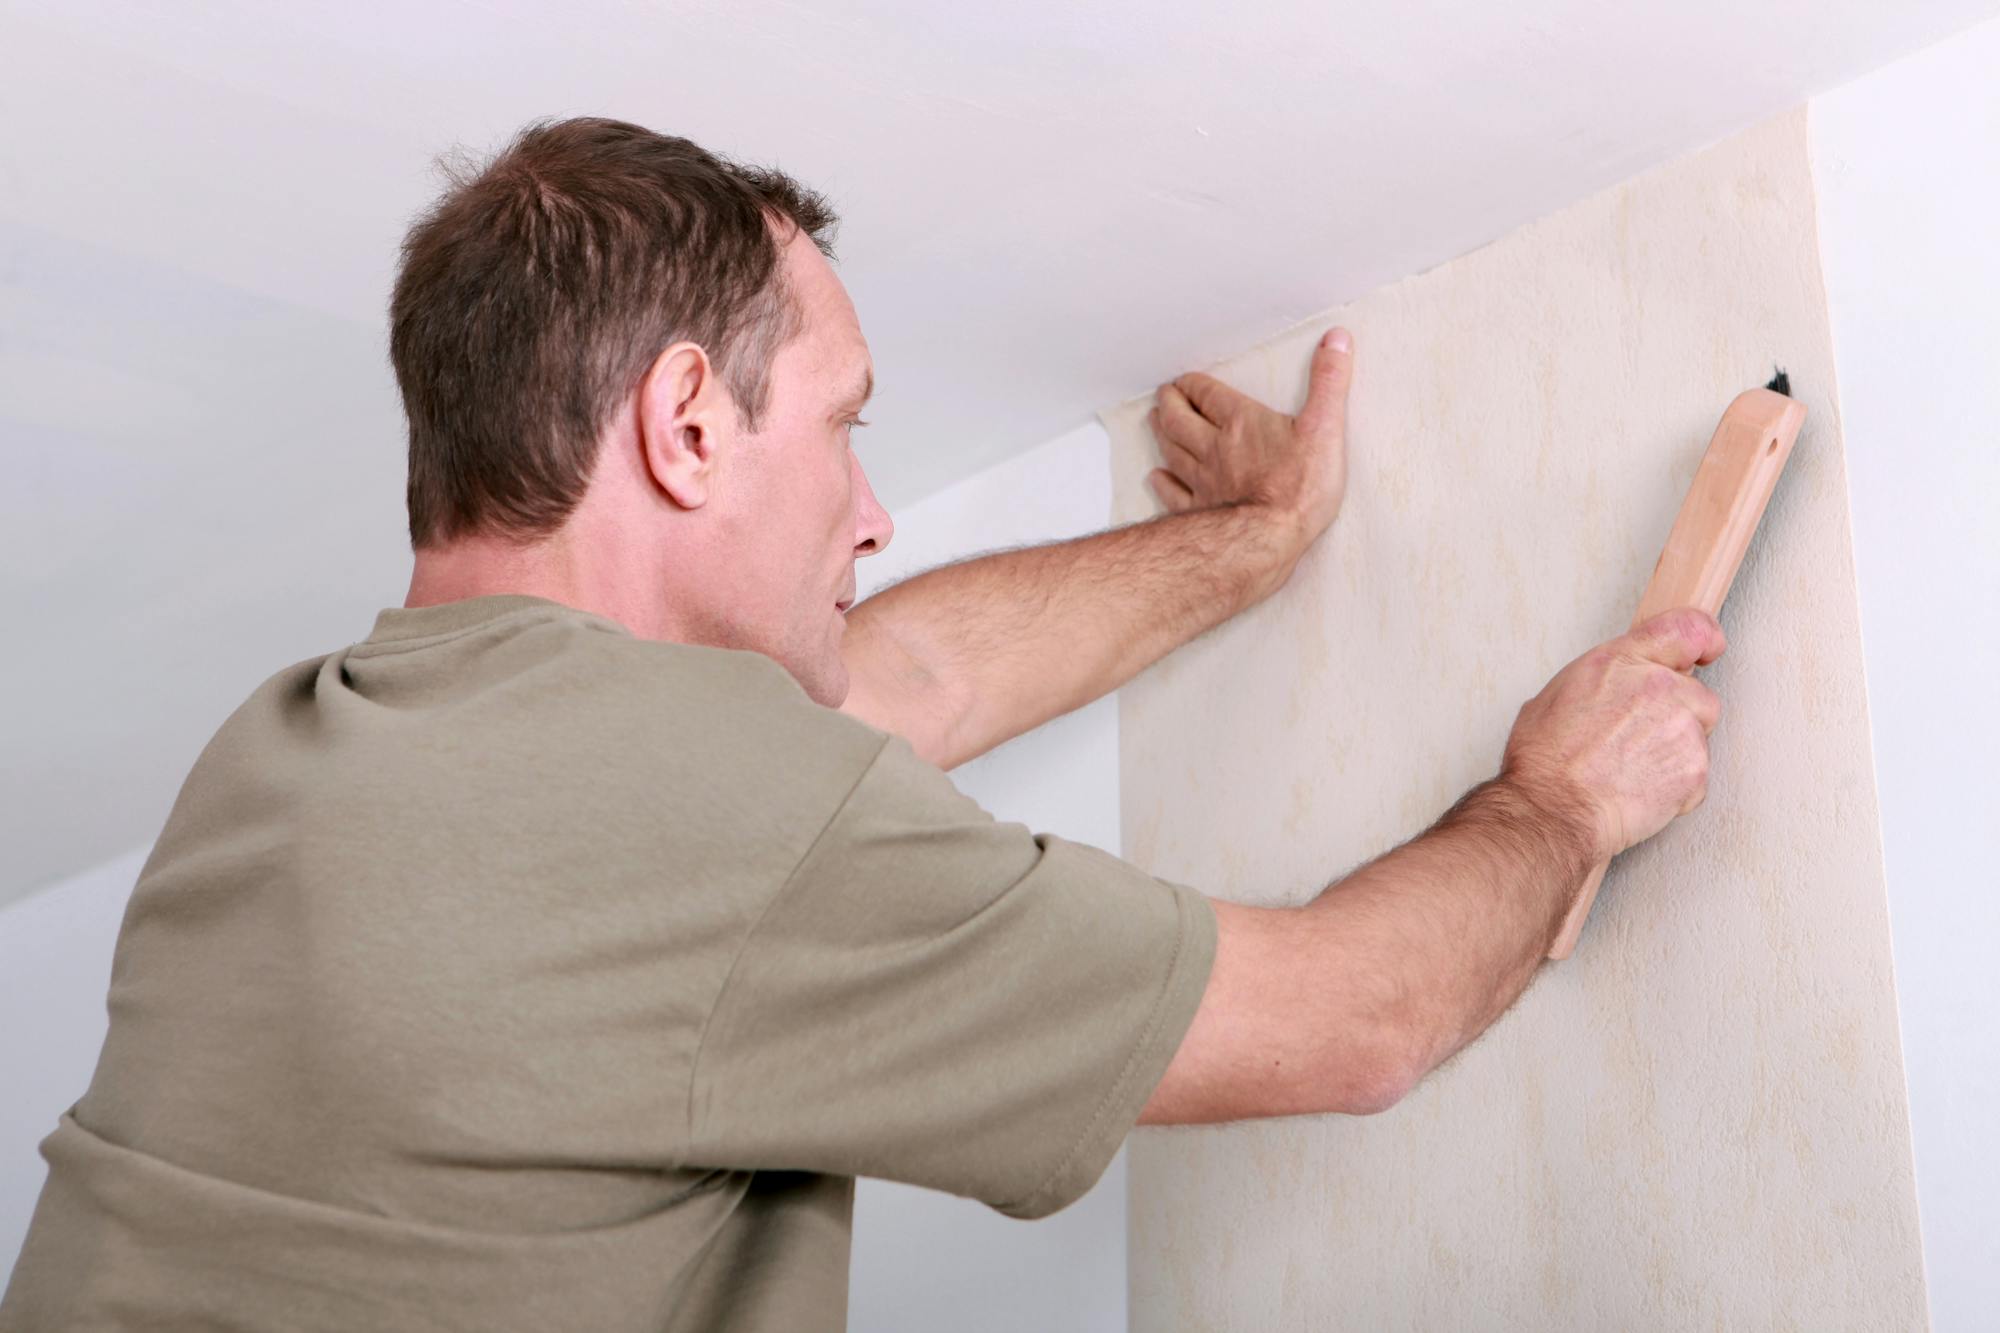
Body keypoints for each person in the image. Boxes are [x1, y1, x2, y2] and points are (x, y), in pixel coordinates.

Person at [0, 117, 1721, 1332]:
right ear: (687, 422)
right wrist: (1560, 800)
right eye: (845, 426)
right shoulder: (706, 818)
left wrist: (1251, 540)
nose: (874, 512)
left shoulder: (278, 759)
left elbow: (903, 689)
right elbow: (1356, 1021)